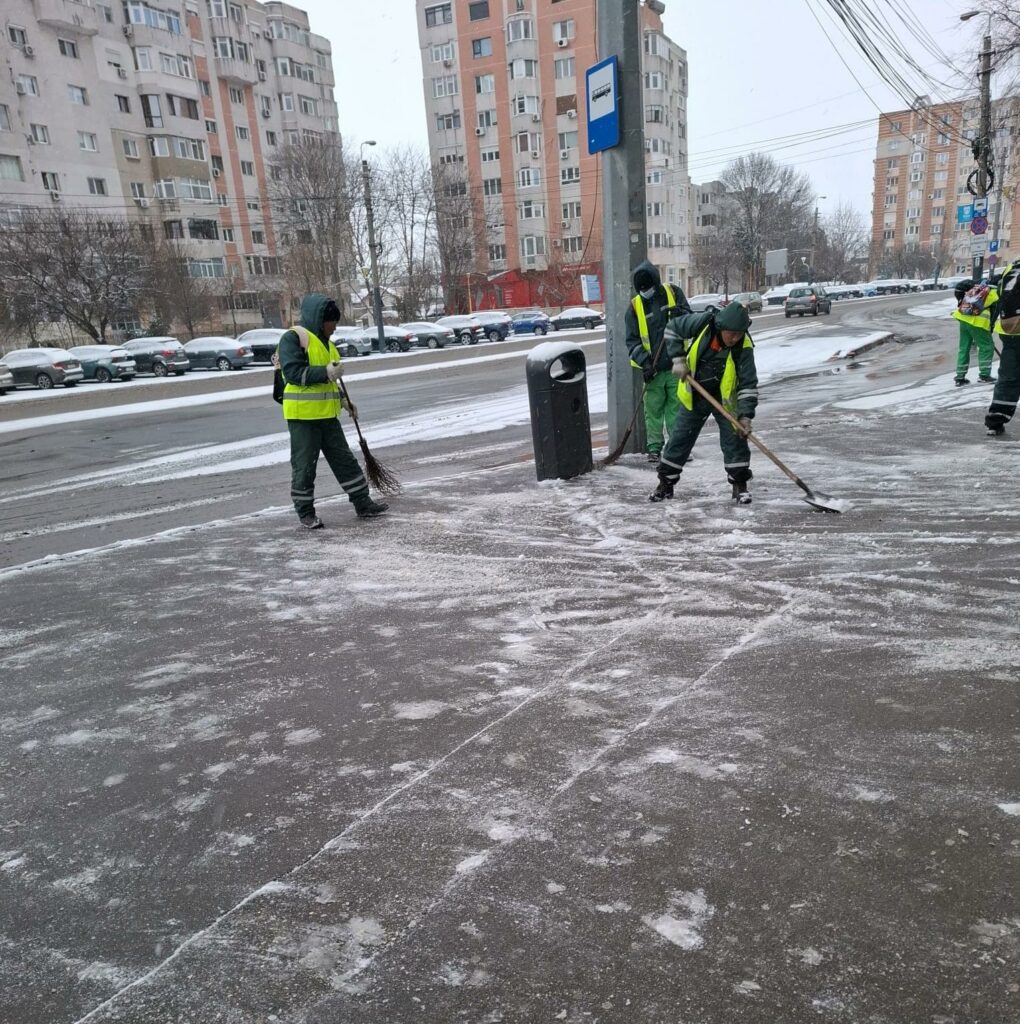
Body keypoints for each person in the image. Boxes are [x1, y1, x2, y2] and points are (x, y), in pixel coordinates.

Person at [279, 293, 389, 529]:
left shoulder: (327, 345)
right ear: (320, 320)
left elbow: (331, 383)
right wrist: (326, 372)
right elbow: (293, 374)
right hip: (303, 417)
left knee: (344, 461)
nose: (335, 328)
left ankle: (363, 503)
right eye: (332, 323)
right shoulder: (293, 338)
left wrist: (344, 401)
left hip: (328, 416)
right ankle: (306, 513)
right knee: (304, 466)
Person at [650, 301, 759, 505]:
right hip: (696, 391)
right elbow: (672, 329)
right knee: (680, 439)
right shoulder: (703, 323)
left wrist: (745, 416)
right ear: (721, 327)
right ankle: (665, 484)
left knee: (735, 440)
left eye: (739, 334)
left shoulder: (743, 347)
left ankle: (740, 486)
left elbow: (748, 384)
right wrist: (678, 359)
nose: (734, 339)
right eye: (731, 334)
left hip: (725, 400)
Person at [624, 260, 692, 462]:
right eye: (642, 289)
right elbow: (632, 341)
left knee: (676, 409)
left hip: (676, 365)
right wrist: (645, 363)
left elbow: (690, 320)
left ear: (656, 283)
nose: (646, 292)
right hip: (652, 370)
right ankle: (654, 448)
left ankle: (675, 447)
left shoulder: (673, 293)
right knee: (652, 411)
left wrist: (681, 315)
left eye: (648, 287)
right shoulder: (635, 308)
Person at [986, 258, 1020, 436]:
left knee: (1008, 377)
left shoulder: (1012, 267)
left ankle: (995, 420)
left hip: (1010, 330)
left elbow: (999, 293)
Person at [951, 275, 998, 386]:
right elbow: (995, 312)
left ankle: (960, 377)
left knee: (964, 348)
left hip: (963, 318)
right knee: (987, 347)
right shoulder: (994, 293)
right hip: (978, 322)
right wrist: (990, 327)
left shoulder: (978, 287)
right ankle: (984, 375)